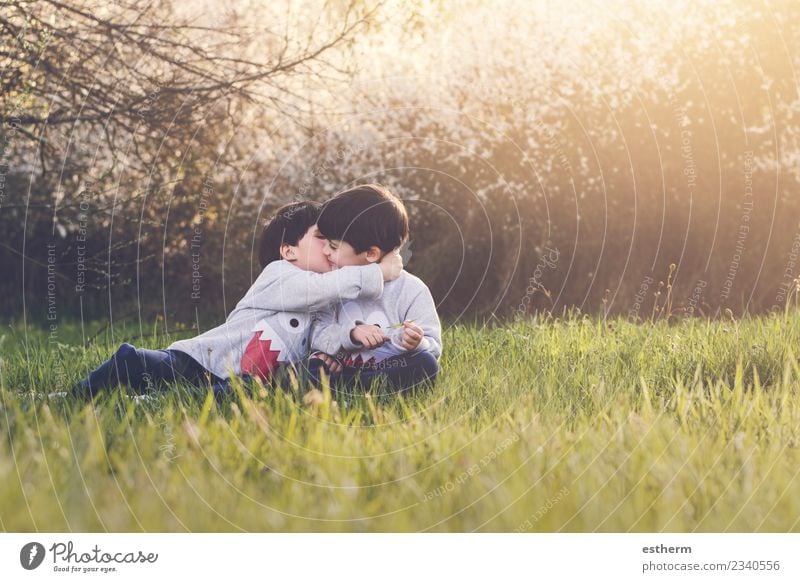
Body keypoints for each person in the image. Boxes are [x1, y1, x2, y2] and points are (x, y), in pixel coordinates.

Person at [72, 201, 403, 400]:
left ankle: (152, 402)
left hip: (241, 379)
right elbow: (315, 290)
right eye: (321, 239)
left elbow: (323, 333)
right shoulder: (279, 274)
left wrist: (346, 339)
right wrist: (377, 273)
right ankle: (70, 396)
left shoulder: (325, 299)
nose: (330, 248)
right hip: (200, 361)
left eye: (335, 242)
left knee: (237, 394)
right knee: (134, 360)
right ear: (288, 251)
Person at [309, 184, 441, 395]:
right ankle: (346, 389)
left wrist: (417, 342)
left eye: (333, 247)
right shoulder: (334, 283)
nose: (324, 251)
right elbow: (317, 331)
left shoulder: (412, 290)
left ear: (371, 254)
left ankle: (356, 391)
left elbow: (434, 347)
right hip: (342, 370)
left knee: (426, 364)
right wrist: (351, 334)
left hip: (388, 370)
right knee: (309, 367)